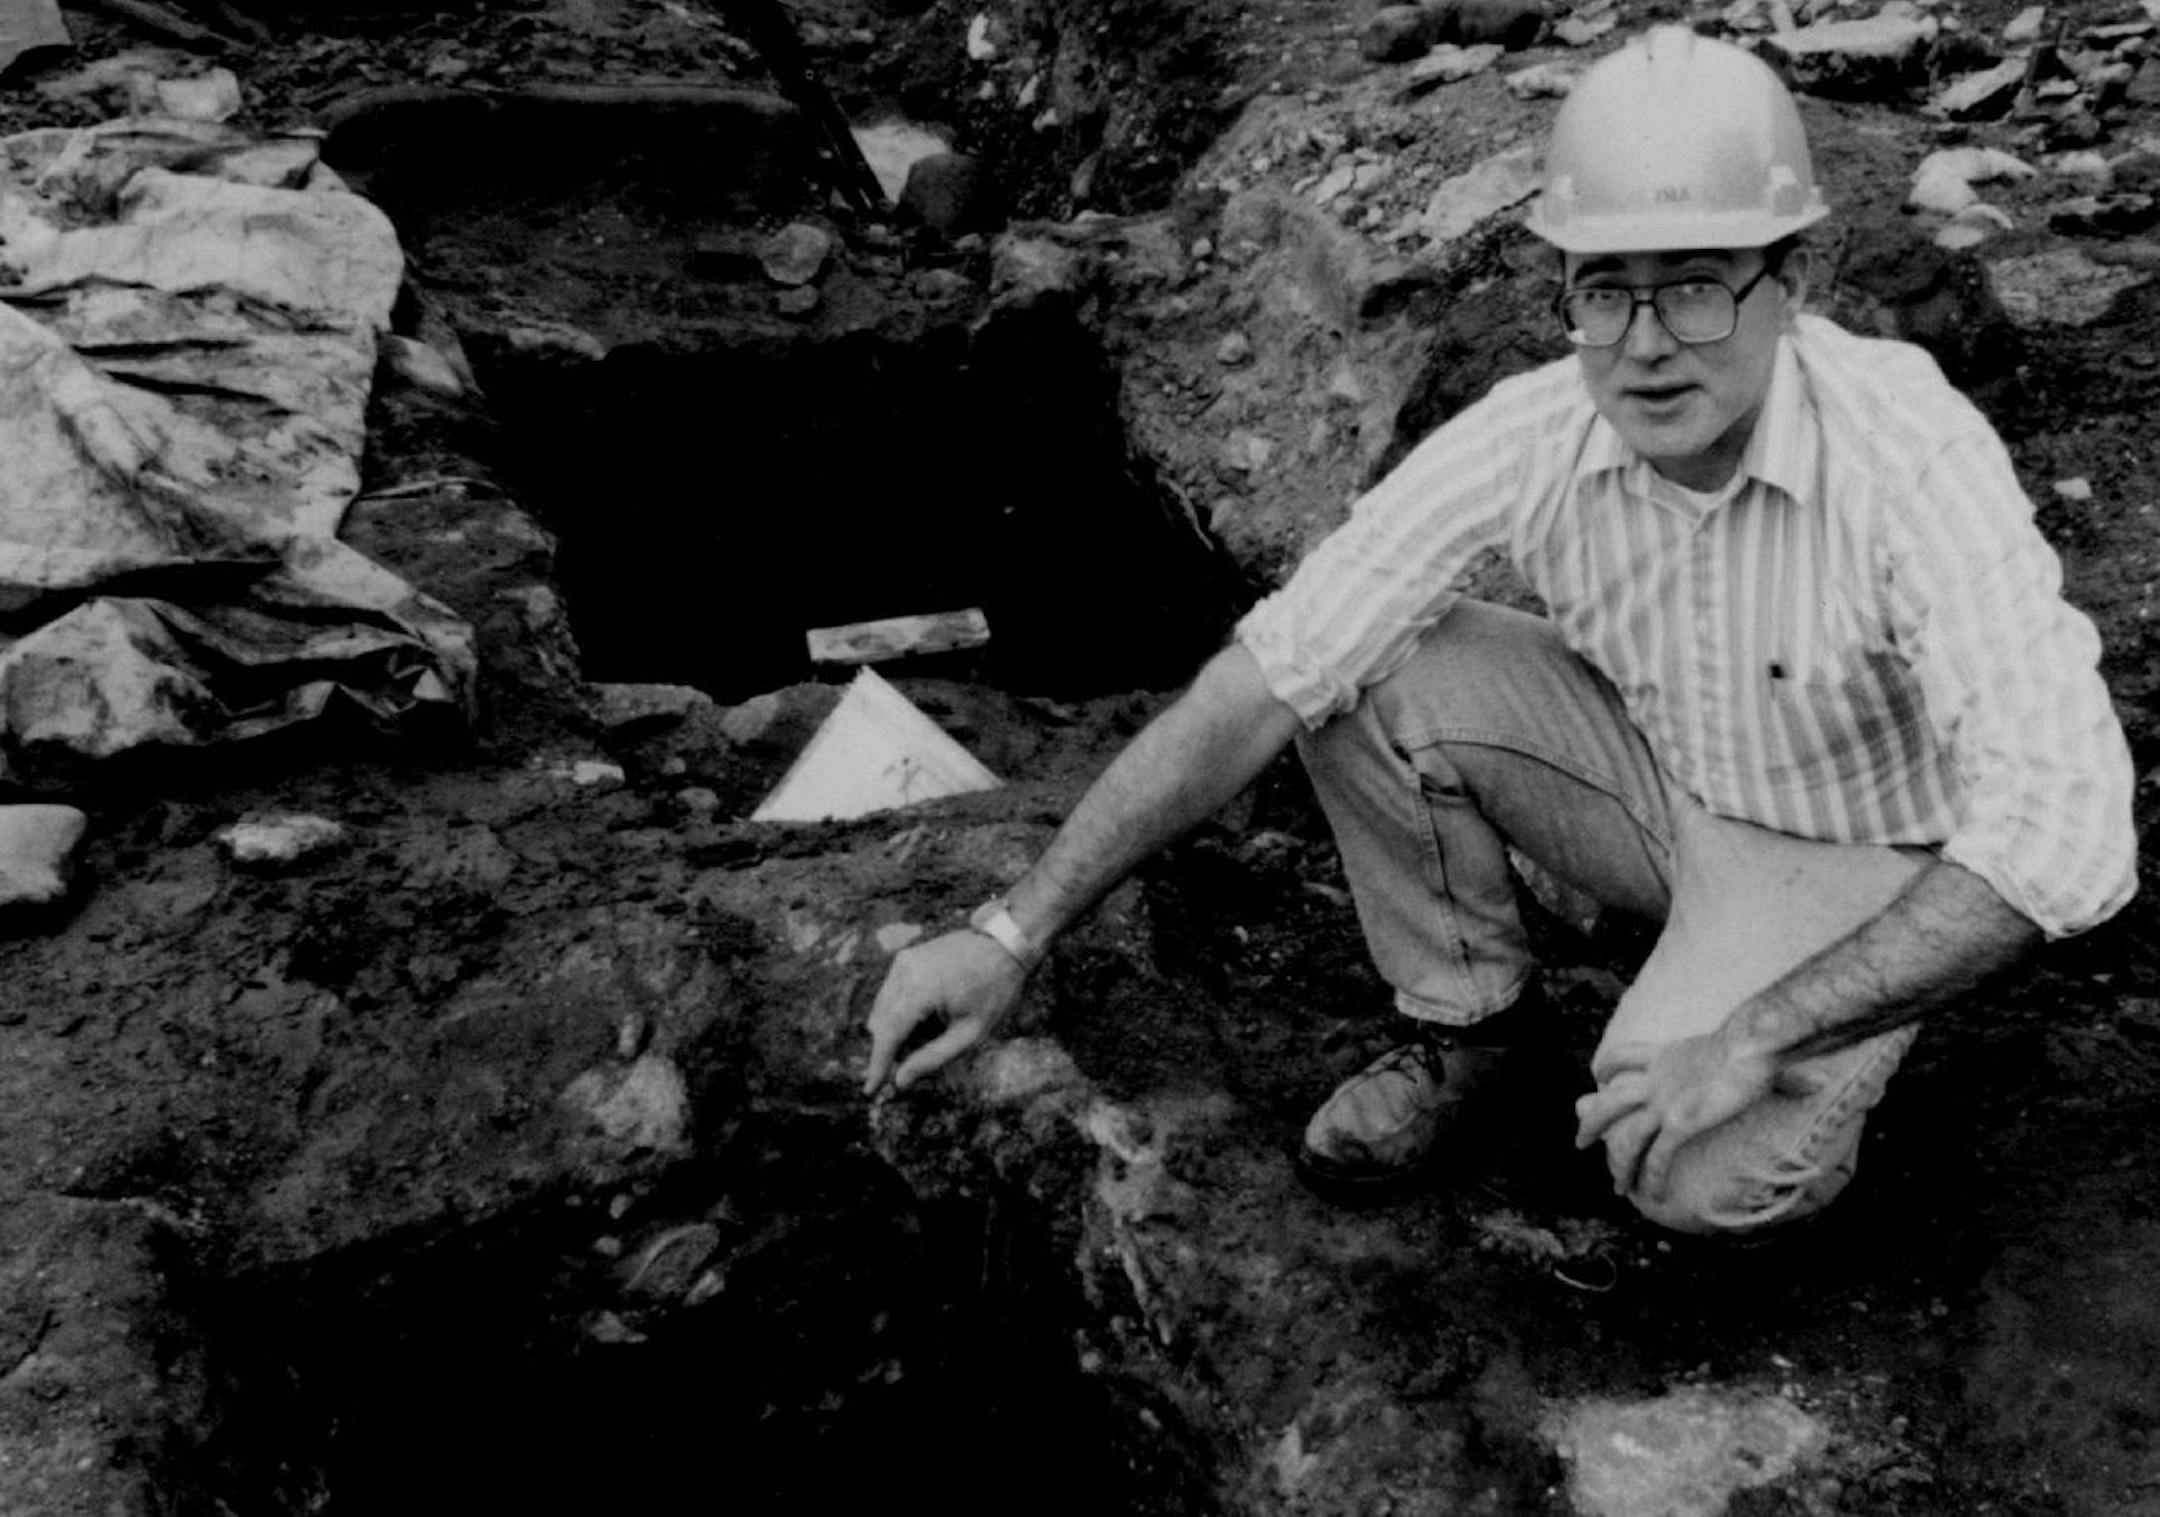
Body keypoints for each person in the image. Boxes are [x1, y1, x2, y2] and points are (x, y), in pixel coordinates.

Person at [860, 26, 2136, 1236]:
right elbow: (1268, 674)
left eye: (1694, 290)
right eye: (1604, 294)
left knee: (1684, 1167)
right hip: (1662, 779)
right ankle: (1473, 1024)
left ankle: (1784, 1018)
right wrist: (1007, 931)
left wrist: (1753, 1035)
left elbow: (2064, 837)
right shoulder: (1541, 431)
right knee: (1365, 665)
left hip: (1858, 853)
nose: (1644, 349)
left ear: (1790, 282)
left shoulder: (1904, 451)